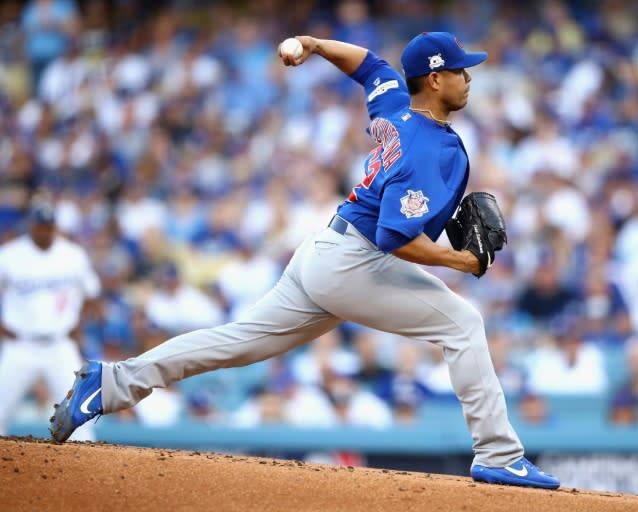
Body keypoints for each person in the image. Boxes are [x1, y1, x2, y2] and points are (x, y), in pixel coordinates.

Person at [49, 32, 560, 489]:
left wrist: (313, 43)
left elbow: (370, 66)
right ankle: (500, 455)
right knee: (464, 323)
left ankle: (110, 382)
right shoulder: (432, 148)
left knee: (237, 342)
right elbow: (393, 238)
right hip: (355, 261)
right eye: (459, 70)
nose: (468, 78)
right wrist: (462, 262)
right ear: (434, 78)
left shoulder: (394, 104)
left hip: (324, 251)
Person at [0, 195, 100, 440]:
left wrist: (78, 324)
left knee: (80, 415)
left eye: (48, 225)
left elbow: (92, 293)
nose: (44, 230)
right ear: (30, 225)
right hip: (19, 344)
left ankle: (88, 474)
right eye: (39, 225)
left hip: (59, 345)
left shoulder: (73, 255)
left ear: (55, 226)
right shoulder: (9, 255)